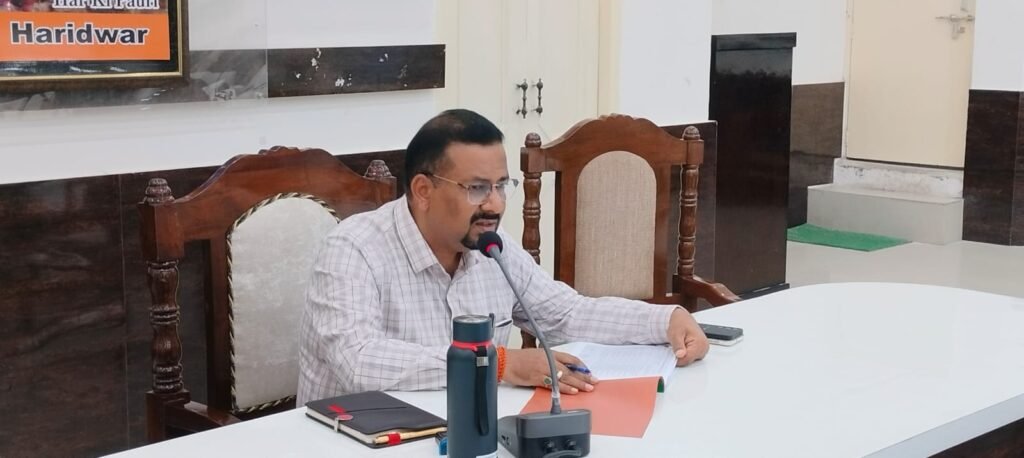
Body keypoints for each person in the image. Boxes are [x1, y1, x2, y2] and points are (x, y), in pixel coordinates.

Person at [296, 109, 708, 405]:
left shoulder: (491, 246)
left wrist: (664, 321)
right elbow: (358, 361)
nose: (494, 204)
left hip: (459, 432)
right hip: (351, 439)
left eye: (501, 185)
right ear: (423, 190)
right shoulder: (353, 250)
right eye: (477, 188)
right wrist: (497, 363)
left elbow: (566, 313)